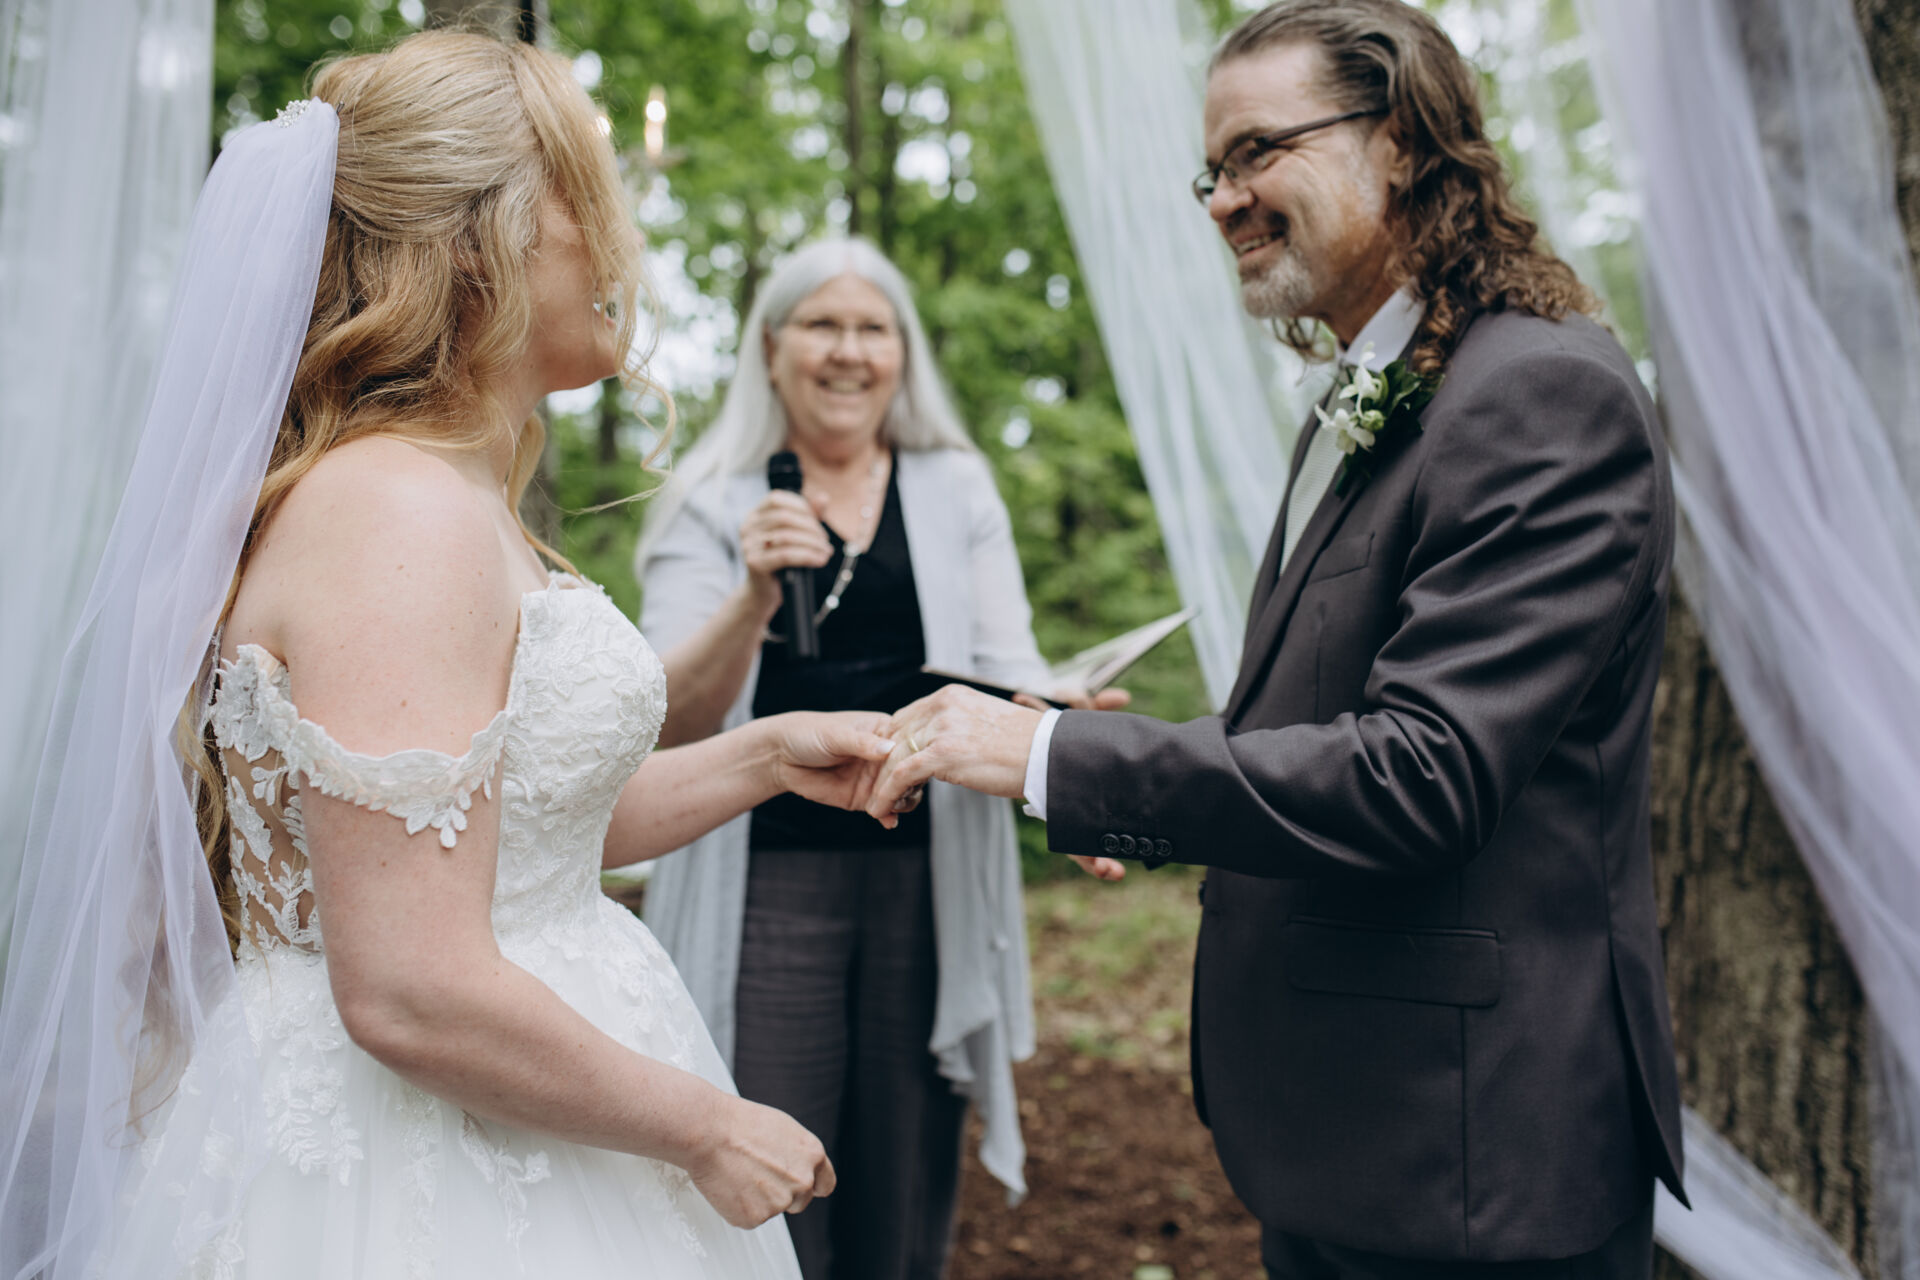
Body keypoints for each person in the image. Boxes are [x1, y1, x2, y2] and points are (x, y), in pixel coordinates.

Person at [0, 32, 913, 1280]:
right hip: (420, 1165)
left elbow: (508, 831)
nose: (625, 244)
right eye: (590, 197)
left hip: (529, 1098)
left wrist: (762, 756)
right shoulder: (396, 513)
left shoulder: (449, 490)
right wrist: (705, 1122)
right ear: (482, 239)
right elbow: (409, 984)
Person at [866, 3, 1688, 1277]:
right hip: (1351, 1126)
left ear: (1402, 141)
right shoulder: (1370, 396)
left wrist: (1049, 761)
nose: (1223, 200)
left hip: (1472, 1157)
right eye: (1212, 169)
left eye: (1259, 152)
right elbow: (1322, 725)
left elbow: (1423, 773)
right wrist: (1097, 765)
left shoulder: (1541, 392)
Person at [636, 237, 1122, 1280]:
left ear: (903, 353)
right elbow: (670, 720)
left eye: (873, 328)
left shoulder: (955, 486)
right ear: (772, 349)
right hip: (766, 877)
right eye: (823, 325)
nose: (848, 351)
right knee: (773, 1148)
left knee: (905, 1152)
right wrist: (754, 596)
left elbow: (1005, 668)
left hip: (924, 872)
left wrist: (1065, 732)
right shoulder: (712, 496)